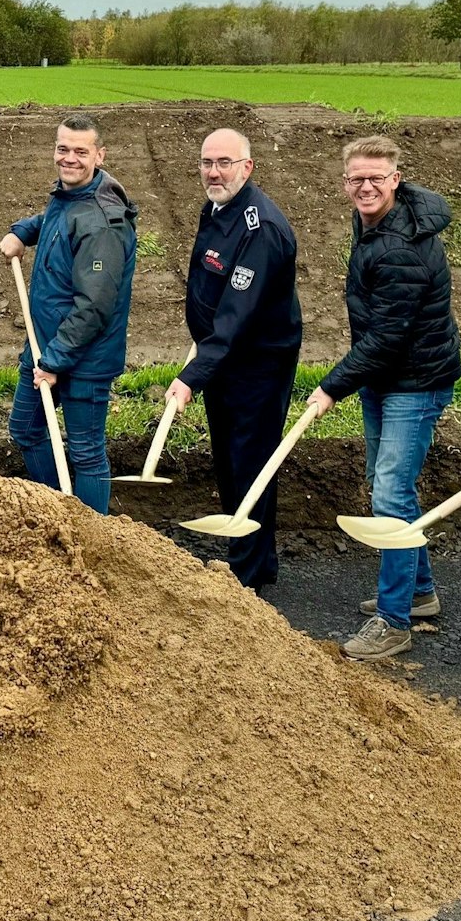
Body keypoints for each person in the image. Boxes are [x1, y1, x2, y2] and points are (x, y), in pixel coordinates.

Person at [307, 136, 461, 661]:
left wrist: (331, 387)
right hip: (387, 374)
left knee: (390, 497)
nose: (366, 187)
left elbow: (387, 336)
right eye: (357, 179)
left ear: (397, 178)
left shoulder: (399, 248)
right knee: (387, 485)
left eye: (377, 177)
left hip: (413, 381)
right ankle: (419, 593)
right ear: (345, 181)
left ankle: (394, 621)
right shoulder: (378, 222)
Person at [165, 128, 301, 590]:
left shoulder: (260, 229)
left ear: (248, 166)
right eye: (207, 162)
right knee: (228, 459)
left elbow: (236, 318)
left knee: (250, 462)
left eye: (225, 162)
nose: (214, 171)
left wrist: (191, 376)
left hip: (256, 364)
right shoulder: (217, 208)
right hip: (224, 359)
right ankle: (257, 563)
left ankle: (246, 579)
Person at [0, 114, 138, 513]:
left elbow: (94, 306)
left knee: (86, 452)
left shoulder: (103, 223)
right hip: (47, 345)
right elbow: (55, 221)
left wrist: (56, 361)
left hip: (83, 357)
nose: (69, 158)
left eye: (81, 151)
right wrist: (24, 230)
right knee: (25, 428)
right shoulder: (71, 196)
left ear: (99, 154)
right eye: (63, 149)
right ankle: (57, 515)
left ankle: (92, 539)